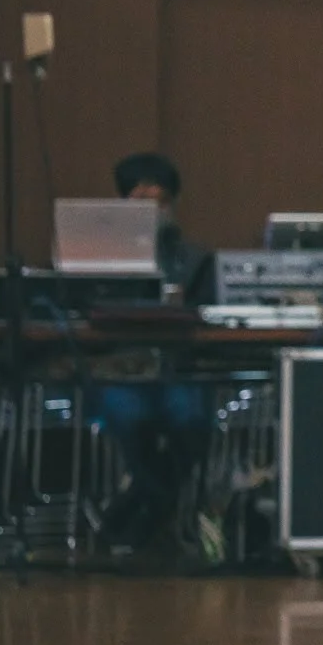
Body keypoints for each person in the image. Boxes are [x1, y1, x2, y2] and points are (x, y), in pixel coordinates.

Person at [93, 152, 214, 553]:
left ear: (172, 206)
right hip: (119, 369)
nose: (150, 212)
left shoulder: (195, 261)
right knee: (127, 413)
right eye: (139, 203)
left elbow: (212, 314)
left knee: (191, 417)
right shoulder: (96, 258)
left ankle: (134, 507)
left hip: (177, 369)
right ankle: (158, 504)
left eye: (158, 203)